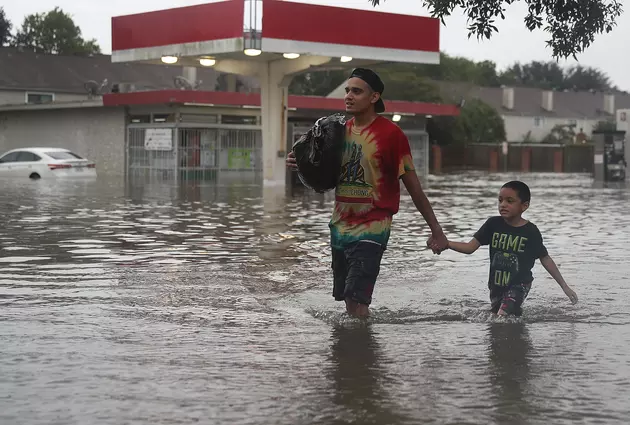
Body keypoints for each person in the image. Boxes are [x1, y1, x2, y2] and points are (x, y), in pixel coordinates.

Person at [286, 67, 448, 318]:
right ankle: (351, 350)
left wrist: (435, 229)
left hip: (374, 226)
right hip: (340, 226)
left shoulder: (392, 135)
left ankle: (363, 353)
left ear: (374, 97)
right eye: (347, 90)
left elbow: (413, 186)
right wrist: (303, 164)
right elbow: (322, 177)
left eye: (357, 91)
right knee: (347, 301)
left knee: (357, 297)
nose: (349, 96)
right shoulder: (336, 133)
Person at [432, 180, 578, 316]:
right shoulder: (492, 224)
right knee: (501, 317)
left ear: (524, 206)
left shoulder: (530, 231)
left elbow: (545, 258)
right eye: (500, 200)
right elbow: (470, 247)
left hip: (520, 284)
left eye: (510, 201)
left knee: (502, 316)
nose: (503, 204)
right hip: (496, 284)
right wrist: (447, 244)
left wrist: (564, 286)